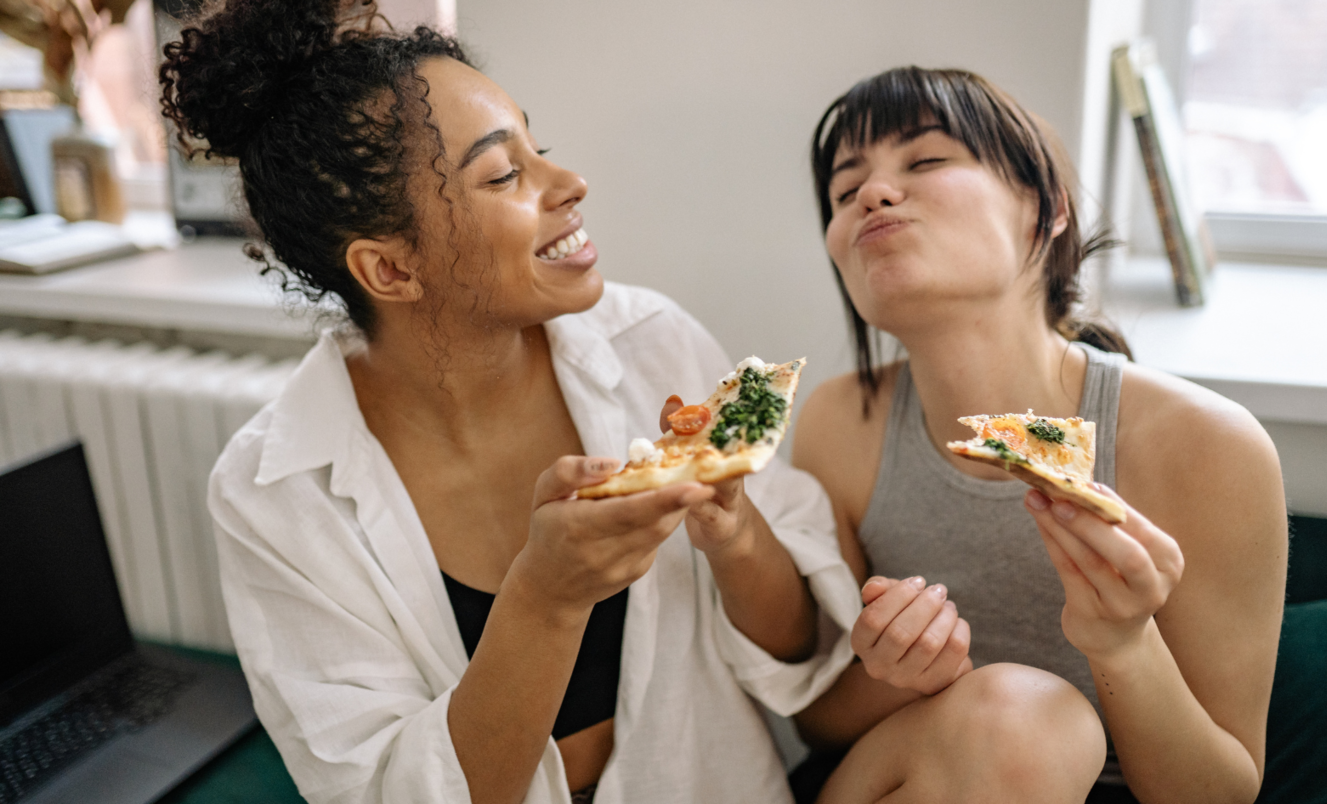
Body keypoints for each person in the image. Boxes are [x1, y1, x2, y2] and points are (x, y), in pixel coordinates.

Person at [162, 3, 860, 803]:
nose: (570, 184)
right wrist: (546, 597)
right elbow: (390, 791)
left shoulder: (652, 345)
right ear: (390, 270)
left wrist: (734, 532)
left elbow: (801, 650)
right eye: (503, 175)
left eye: (542, 149)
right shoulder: (274, 489)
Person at [790, 67, 1287, 804]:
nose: (871, 194)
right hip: (903, 777)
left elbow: (1220, 792)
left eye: (924, 161)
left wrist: (1123, 643)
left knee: (1036, 721)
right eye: (843, 190)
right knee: (1022, 717)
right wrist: (900, 679)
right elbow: (818, 726)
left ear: (1047, 210)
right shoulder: (839, 423)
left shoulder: (1210, 446)